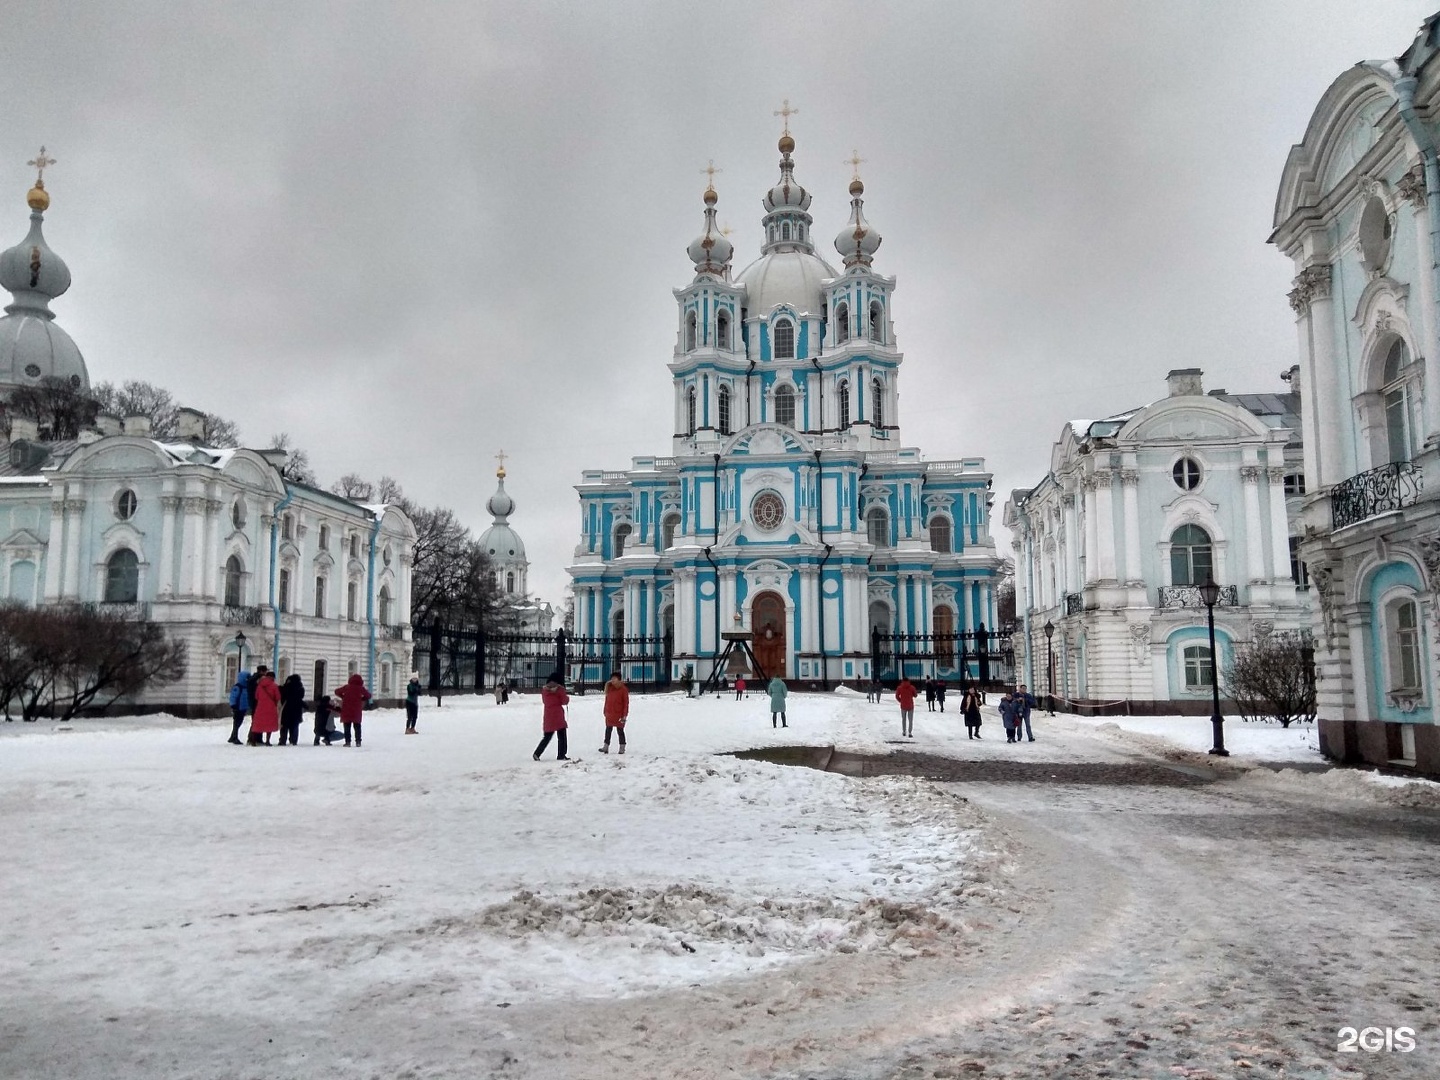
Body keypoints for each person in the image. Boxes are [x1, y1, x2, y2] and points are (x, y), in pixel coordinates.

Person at [534, 672, 570, 760]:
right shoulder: (560, 689)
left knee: (547, 737)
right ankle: (561, 755)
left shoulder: (545, 690)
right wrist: (567, 697)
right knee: (562, 736)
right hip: (558, 715)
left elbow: (545, 701)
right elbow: (564, 701)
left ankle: (537, 753)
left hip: (548, 715)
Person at [334, 673, 372, 747]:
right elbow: (368, 695)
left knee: (347, 726)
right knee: (357, 726)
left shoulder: (347, 687)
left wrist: (343, 697)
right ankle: (358, 741)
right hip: (356, 710)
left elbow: (336, 691)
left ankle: (347, 742)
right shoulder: (360, 688)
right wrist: (362, 699)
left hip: (346, 709)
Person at [249, 666, 280, 746]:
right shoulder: (274, 686)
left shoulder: (259, 685)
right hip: (271, 708)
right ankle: (267, 741)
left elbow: (256, 696)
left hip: (260, 707)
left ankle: (253, 741)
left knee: (257, 724)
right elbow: (278, 697)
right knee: (269, 724)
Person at [600, 670, 628, 754]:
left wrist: (624, 715)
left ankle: (622, 747)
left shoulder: (623, 689)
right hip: (610, 713)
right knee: (608, 730)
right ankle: (606, 746)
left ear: (619, 679)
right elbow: (607, 700)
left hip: (619, 714)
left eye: (614, 678)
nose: (613, 680)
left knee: (620, 731)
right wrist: (605, 710)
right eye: (612, 678)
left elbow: (626, 703)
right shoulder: (609, 688)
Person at [279, 673, 306, 746]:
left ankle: (283, 740)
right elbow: (301, 697)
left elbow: (282, 695)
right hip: (297, 709)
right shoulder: (300, 688)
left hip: (287, 708)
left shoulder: (286, 687)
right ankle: (293, 740)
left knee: (284, 725)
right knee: (295, 725)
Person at [227, 669, 251, 745]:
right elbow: (233, 697)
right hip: (237, 708)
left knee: (238, 723)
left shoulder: (246, 687)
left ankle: (233, 736)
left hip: (243, 708)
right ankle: (234, 737)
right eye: (247, 678)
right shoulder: (238, 687)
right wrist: (233, 706)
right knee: (237, 723)